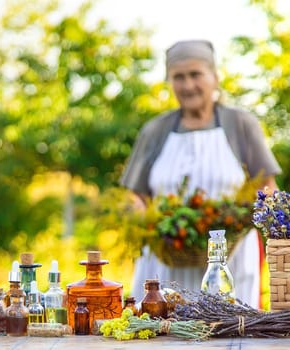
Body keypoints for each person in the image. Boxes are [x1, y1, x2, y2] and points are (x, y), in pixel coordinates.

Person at [120, 40, 281, 308]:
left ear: (215, 77)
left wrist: (240, 221)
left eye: (195, 74)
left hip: (232, 263)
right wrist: (148, 225)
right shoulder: (155, 130)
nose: (187, 85)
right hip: (164, 263)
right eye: (178, 77)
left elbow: (267, 187)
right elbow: (135, 196)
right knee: (161, 334)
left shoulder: (240, 124)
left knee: (230, 337)